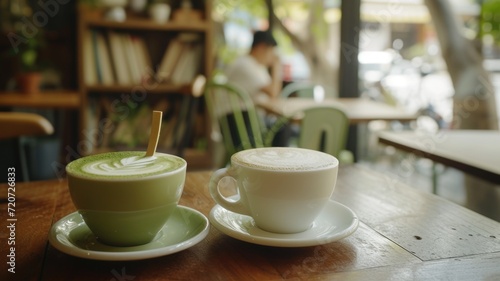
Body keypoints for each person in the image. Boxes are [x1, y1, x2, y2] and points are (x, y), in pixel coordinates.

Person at [222, 30, 289, 149]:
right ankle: (275, 166)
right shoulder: (246, 65)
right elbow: (273, 92)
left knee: (284, 127)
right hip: (240, 123)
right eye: (271, 52)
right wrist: (277, 67)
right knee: (283, 129)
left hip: (244, 121)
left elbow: (273, 95)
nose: (272, 57)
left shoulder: (255, 66)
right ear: (262, 47)